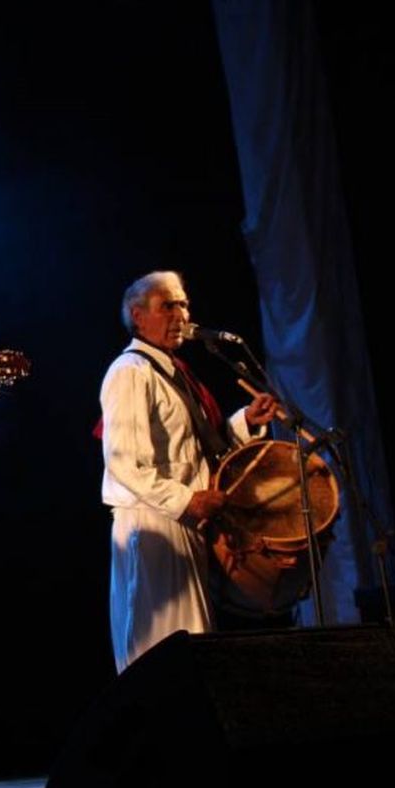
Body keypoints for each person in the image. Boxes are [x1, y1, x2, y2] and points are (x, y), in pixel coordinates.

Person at [99, 270, 278, 672]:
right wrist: (188, 500)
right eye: (168, 305)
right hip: (153, 525)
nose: (181, 313)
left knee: (195, 646)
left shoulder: (173, 372)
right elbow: (125, 462)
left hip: (183, 521)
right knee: (162, 652)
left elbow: (197, 449)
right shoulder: (131, 371)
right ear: (137, 315)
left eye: (183, 303)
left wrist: (245, 421)